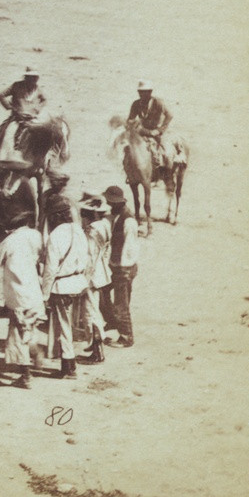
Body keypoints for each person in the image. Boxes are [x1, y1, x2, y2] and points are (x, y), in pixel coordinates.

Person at [0, 207, 44, 389]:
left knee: (18, 334)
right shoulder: (35, 235)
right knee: (30, 328)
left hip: (18, 295)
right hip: (34, 290)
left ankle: (26, 375)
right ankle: (36, 353)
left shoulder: (9, 241)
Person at [41, 194, 89, 379]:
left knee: (63, 327)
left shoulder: (55, 235)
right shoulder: (78, 230)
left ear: (54, 216)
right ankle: (70, 364)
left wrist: (45, 295)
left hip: (62, 286)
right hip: (79, 283)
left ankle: (68, 368)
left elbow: (50, 269)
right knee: (71, 325)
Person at [0, 162, 37, 305]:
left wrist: (29, 227)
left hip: (17, 230)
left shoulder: (25, 184)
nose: (1, 169)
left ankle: (10, 301)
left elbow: (32, 208)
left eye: (5, 167)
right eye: (1, 166)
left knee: (13, 267)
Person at [76, 191, 112, 363]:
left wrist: (83, 278)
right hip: (101, 272)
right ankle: (94, 343)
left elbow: (89, 257)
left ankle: (97, 352)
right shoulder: (105, 224)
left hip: (91, 276)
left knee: (90, 312)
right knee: (94, 308)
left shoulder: (91, 231)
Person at [104, 185, 139, 348]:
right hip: (115, 266)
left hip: (123, 268)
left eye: (110, 202)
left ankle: (126, 336)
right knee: (103, 293)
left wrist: (123, 270)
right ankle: (113, 321)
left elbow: (130, 247)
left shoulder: (128, 220)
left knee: (121, 303)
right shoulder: (117, 215)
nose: (108, 204)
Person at [128, 80, 174, 170]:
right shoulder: (136, 104)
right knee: (130, 152)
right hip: (144, 132)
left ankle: (167, 174)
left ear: (150, 92)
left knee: (167, 154)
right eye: (140, 92)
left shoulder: (159, 102)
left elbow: (170, 115)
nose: (142, 94)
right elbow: (130, 119)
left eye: (145, 92)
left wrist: (160, 130)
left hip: (159, 132)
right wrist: (136, 126)